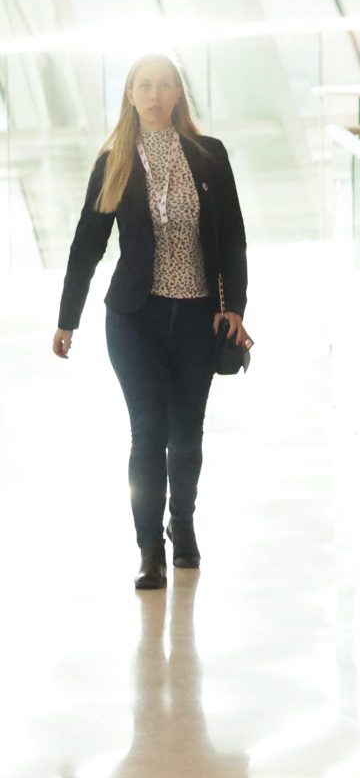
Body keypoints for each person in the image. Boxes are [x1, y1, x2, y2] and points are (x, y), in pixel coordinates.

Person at [53, 54, 250, 591]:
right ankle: (149, 550)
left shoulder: (210, 156)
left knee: (186, 434)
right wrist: (67, 318)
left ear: (178, 93)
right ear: (131, 95)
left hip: (197, 317)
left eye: (165, 85)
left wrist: (236, 307)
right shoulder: (114, 160)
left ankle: (181, 523)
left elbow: (232, 234)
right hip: (134, 318)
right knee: (148, 431)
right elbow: (86, 247)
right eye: (146, 86)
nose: (156, 94)